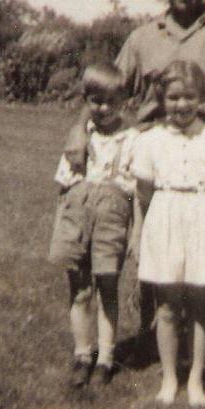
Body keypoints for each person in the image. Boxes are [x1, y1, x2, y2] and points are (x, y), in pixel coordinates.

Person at [64, 0, 205, 354]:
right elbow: (107, 89)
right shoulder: (144, 37)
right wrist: (79, 130)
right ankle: (155, 336)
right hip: (154, 158)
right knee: (153, 245)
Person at [131, 60, 205, 406]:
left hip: (204, 217)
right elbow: (144, 192)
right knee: (167, 305)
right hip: (165, 216)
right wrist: (144, 230)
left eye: (189, 97)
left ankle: (195, 379)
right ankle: (169, 377)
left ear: (201, 98)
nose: (182, 105)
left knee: (200, 306)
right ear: (162, 99)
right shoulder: (150, 140)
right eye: (174, 97)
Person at [48, 65, 138, 388]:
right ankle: (83, 354)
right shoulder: (79, 139)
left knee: (107, 288)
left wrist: (134, 233)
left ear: (123, 102)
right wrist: (61, 225)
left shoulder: (130, 139)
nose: (103, 108)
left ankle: (106, 358)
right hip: (77, 213)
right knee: (80, 289)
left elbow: (135, 193)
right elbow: (64, 187)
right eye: (96, 101)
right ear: (87, 100)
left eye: (111, 101)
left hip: (112, 217)